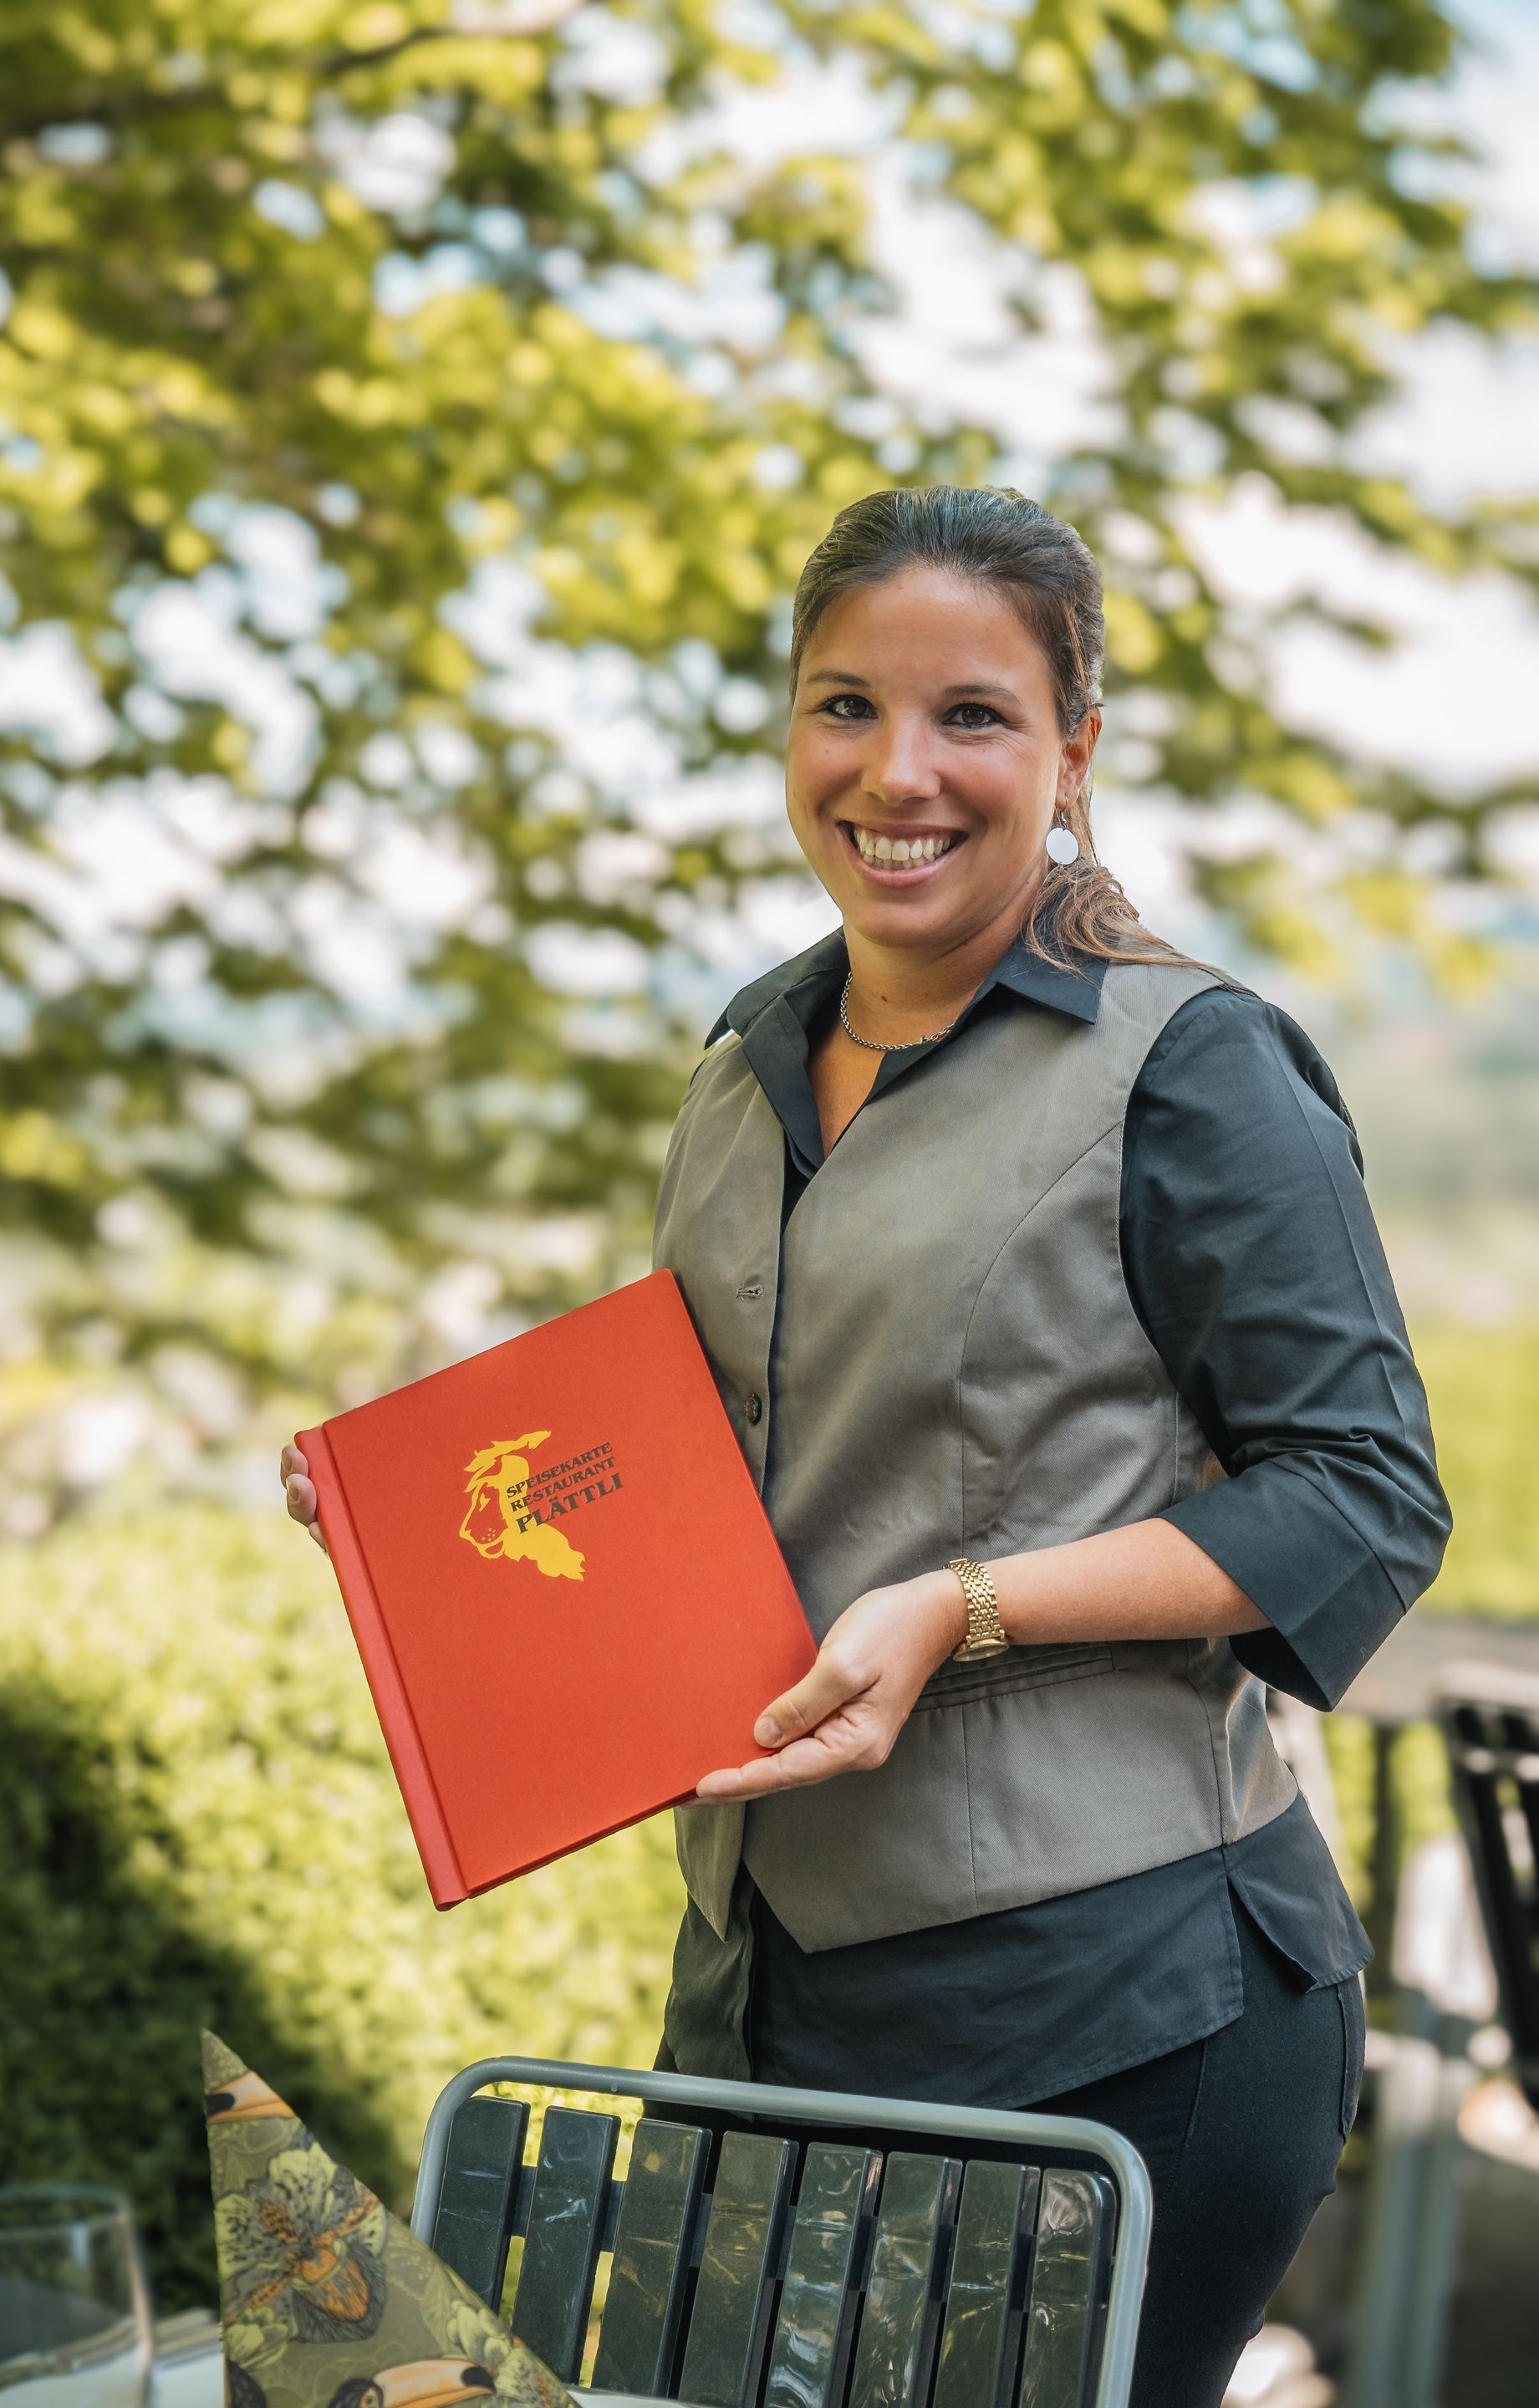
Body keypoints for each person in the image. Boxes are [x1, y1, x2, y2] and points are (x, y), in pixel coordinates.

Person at [283, 486, 1450, 2408]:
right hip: (764, 1996)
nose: (898, 771)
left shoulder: (1195, 1067)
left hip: (1116, 2007)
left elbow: (1363, 1499)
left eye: (972, 715)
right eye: (847, 706)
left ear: (1074, 752)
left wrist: (962, 1607)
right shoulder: (747, 1057)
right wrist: (423, 1524)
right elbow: (713, 1455)